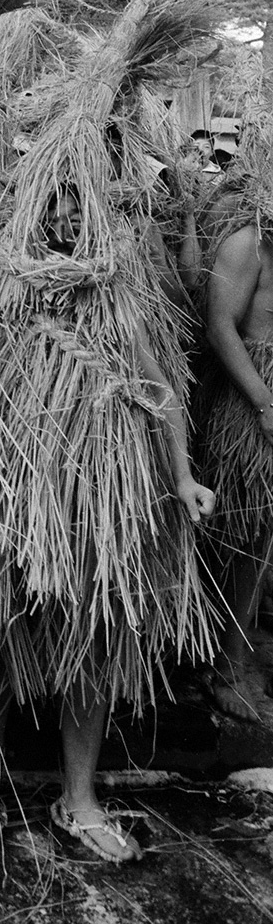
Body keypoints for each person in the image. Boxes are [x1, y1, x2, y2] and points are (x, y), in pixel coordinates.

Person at [0, 157, 215, 866]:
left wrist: (182, 476)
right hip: (14, 499)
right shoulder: (8, 289)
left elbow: (161, 392)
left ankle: (78, 800)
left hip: (99, 507)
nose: (63, 221)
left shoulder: (116, 300)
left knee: (93, 640)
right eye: (52, 208)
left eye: (73, 209)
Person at [201, 221, 273, 718]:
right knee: (248, 533)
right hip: (254, 403)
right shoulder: (248, 245)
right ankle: (227, 664)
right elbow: (219, 325)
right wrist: (264, 402)